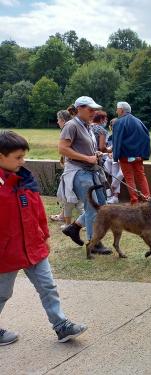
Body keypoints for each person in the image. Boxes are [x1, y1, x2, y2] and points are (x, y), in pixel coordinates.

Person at [0, 130, 87, 345]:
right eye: (18, 157)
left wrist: (44, 235)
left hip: (34, 247)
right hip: (5, 253)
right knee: (2, 294)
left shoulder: (25, 180)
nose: (23, 161)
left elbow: (37, 211)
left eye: (24, 156)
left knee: (48, 287)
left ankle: (61, 326)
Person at [59, 96, 111, 255]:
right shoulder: (71, 125)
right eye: (90, 109)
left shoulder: (87, 125)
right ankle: (93, 243)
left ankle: (74, 228)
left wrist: (94, 153)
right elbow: (63, 149)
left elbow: (83, 148)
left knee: (101, 206)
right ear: (79, 109)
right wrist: (87, 158)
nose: (94, 112)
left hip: (90, 171)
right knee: (93, 206)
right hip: (79, 172)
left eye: (95, 109)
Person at [112, 101, 151, 204]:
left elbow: (117, 141)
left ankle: (134, 201)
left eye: (117, 109)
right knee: (141, 176)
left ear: (121, 110)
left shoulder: (118, 122)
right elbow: (147, 139)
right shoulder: (139, 121)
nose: (116, 111)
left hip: (125, 156)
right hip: (138, 156)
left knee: (129, 178)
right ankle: (147, 199)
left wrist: (115, 156)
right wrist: (143, 155)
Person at [103, 118, 123, 204]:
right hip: (112, 160)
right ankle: (112, 196)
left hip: (122, 159)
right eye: (112, 126)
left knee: (119, 174)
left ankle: (114, 193)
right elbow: (109, 148)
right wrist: (109, 153)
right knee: (109, 172)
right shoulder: (111, 137)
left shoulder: (123, 136)